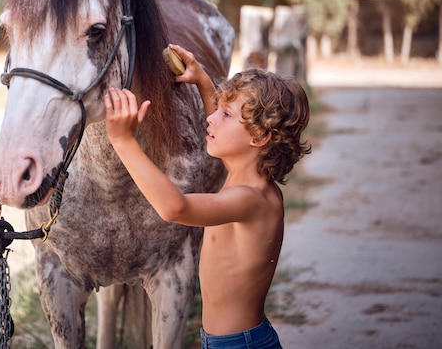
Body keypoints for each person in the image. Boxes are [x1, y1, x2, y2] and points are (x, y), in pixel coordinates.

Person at [104, 44, 311, 349]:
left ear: (259, 136)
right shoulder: (243, 170)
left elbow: (175, 207)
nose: (211, 118)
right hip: (229, 341)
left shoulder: (253, 200)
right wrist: (201, 79)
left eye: (225, 114)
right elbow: (229, 124)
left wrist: (122, 141)